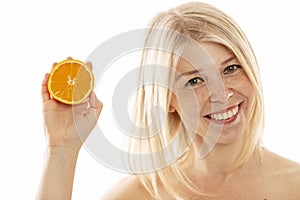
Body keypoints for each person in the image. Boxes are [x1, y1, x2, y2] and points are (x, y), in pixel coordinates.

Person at [37, 2, 300, 200]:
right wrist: (61, 151)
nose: (222, 93)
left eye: (230, 69)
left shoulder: (294, 186)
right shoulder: (140, 194)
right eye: (194, 81)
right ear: (168, 99)